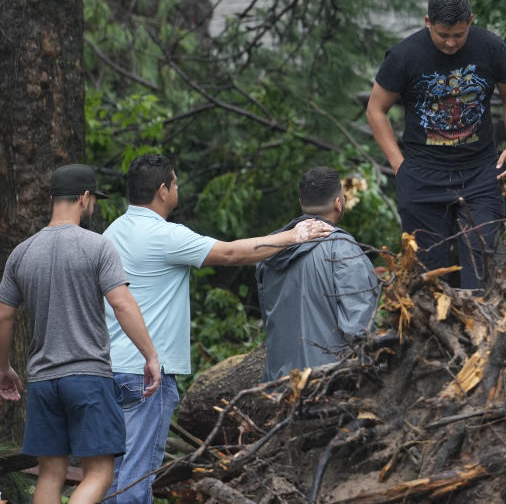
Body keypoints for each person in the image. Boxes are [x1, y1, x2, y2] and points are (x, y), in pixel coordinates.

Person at [101, 154, 332, 503]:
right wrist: (292, 236)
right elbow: (230, 254)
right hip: (147, 375)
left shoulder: (110, 233)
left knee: (110, 475)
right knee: (136, 479)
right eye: (175, 183)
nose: (177, 189)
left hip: (107, 369)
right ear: (163, 191)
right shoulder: (164, 235)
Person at [0, 164, 161, 504]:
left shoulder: (22, 253)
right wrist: (150, 355)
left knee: (50, 473)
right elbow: (122, 303)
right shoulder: (97, 246)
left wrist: (3, 368)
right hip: (88, 376)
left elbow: (3, 315)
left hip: (43, 380)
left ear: (53, 199)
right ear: (85, 198)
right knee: (99, 473)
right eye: (94, 200)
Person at [366, 0, 506, 289]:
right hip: (423, 175)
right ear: (428, 22)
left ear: (471, 21)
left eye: (459, 35)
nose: (451, 43)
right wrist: (399, 166)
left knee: (483, 261)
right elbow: (376, 109)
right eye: (443, 35)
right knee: (426, 274)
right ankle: (432, 334)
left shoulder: (490, 47)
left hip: (480, 171)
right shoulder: (403, 56)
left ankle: (482, 331)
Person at [256, 166, 381, 381]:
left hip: (278, 385)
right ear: (338, 204)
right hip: (329, 385)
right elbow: (360, 329)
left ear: (301, 203)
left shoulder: (269, 250)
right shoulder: (342, 248)